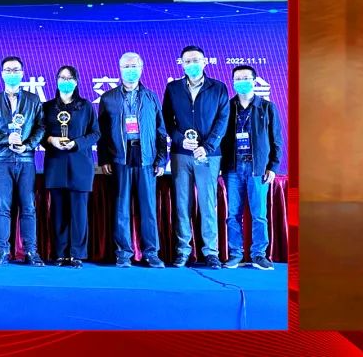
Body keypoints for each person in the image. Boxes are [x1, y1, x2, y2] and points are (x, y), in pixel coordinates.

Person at [162, 45, 230, 269]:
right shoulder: (173, 88)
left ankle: (211, 252)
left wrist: (207, 147)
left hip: (208, 156)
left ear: (204, 62)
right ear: (181, 64)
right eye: (188, 61)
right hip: (181, 155)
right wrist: (179, 139)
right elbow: (166, 121)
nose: (192, 64)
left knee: (208, 204)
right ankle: (183, 250)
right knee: (182, 204)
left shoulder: (218, 88)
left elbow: (222, 120)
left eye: (196, 60)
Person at [97, 52, 167, 268]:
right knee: (121, 207)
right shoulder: (108, 98)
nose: (130, 70)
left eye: (134, 66)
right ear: (119, 69)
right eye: (126, 66)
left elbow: (161, 130)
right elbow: (102, 133)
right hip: (120, 157)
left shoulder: (151, 96)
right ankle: (123, 253)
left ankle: (151, 253)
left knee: (148, 208)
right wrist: (104, 158)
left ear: (141, 68)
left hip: (146, 157)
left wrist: (161, 159)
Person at [0, 56, 45, 267]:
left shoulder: (33, 100)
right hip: (1, 159)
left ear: (22, 73)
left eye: (16, 70)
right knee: (2, 207)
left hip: (26, 158)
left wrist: (28, 145)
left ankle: (31, 251)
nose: (12, 73)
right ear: (2, 74)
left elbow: (41, 127)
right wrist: (5, 139)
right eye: (8, 70)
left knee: (28, 207)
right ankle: (2, 251)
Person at [221, 64, 282, 270]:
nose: (241, 82)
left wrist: (273, 167)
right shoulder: (227, 107)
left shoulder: (266, 107)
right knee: (233, 215)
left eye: (246, 78)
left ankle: (258, 254)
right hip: (233, 168)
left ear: (254, 81)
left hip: (258, 168)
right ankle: (235, 254)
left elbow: (276, 140)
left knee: (259, 215)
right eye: (237, 79)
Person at [41, 65, 99, 268]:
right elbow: (39, 134)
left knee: (79, 213)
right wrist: (50, 140)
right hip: (56, 164)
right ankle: (61, 253)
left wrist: (77, 143)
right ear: (56, 81)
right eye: (61, 78)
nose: (65, 81)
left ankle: (77, 254)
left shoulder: (86, 106)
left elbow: (95, 133)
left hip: (80, 164)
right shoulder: (47, 107)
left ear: (76, 81)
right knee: (58, 212)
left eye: (69, 78)